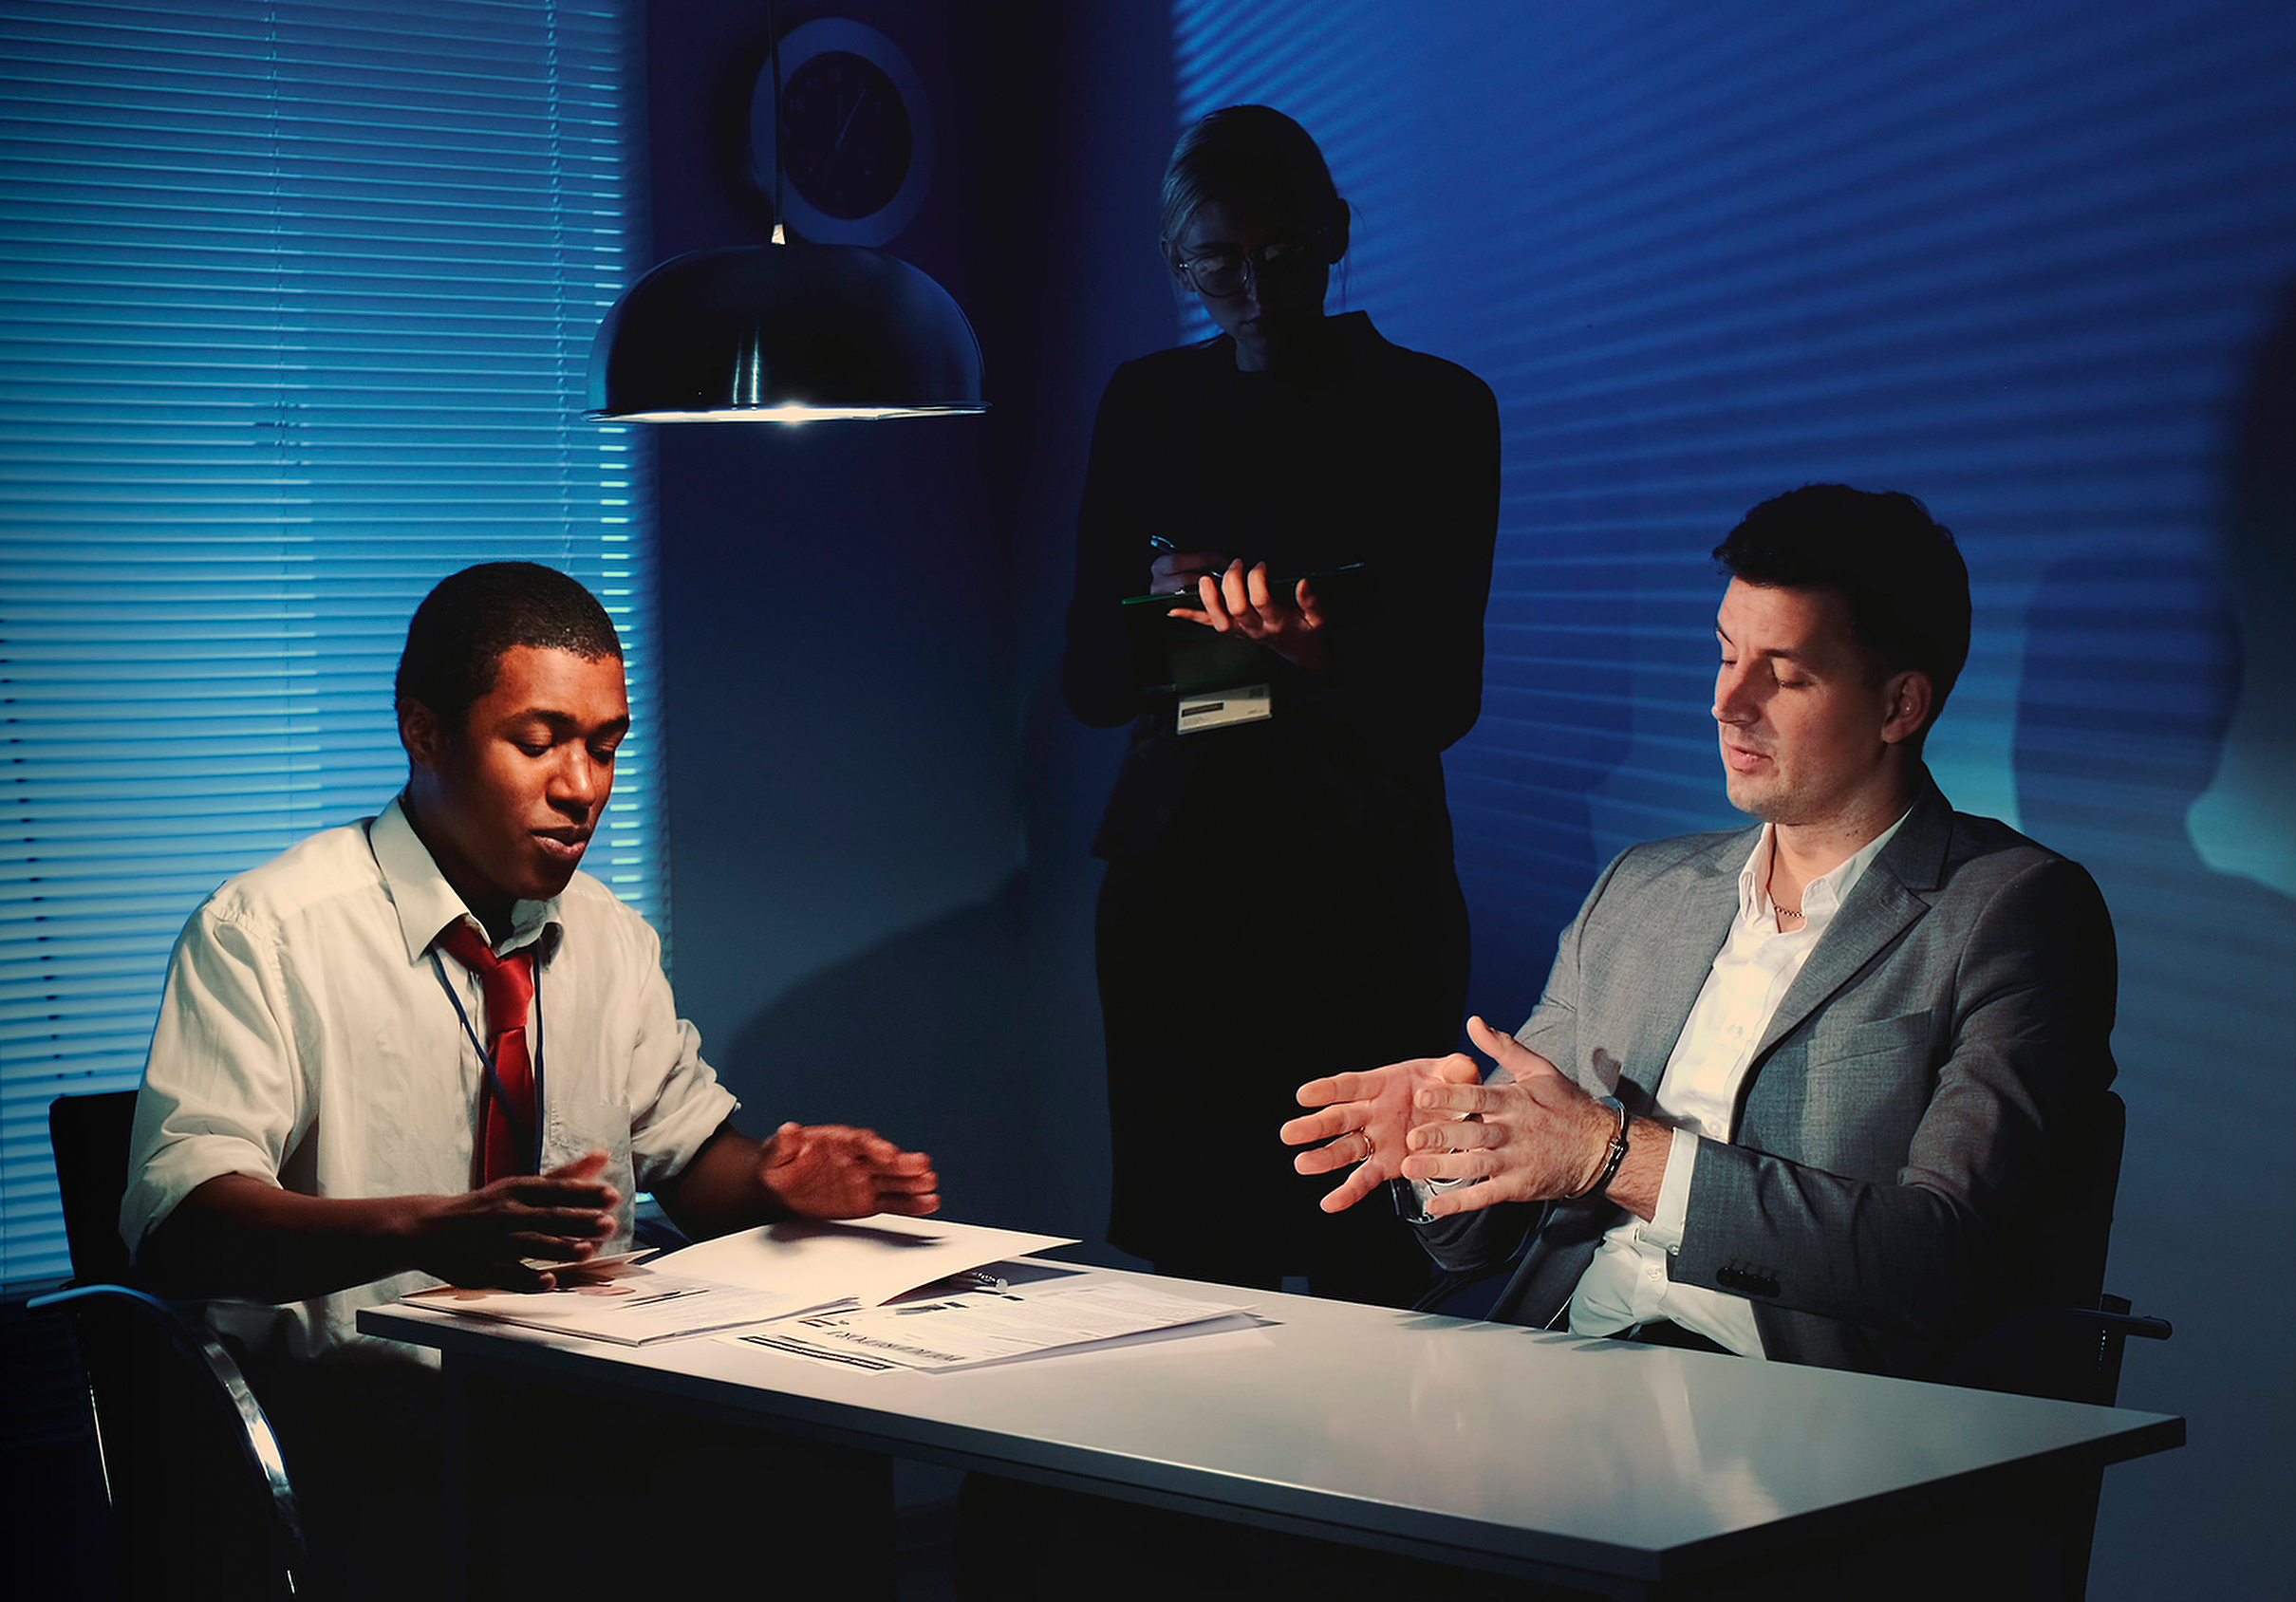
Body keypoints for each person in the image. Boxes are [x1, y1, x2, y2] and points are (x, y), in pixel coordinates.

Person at [120, 561, 938, 1597]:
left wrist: (776, 1181)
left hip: (583, 1396)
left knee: (824, 1468)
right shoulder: (266, 933)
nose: (583, 785)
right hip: (361, 1418)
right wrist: (430, 1230)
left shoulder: (607, 934)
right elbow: (185, 1227)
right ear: (424, 729)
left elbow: (692, 1163)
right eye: (538, 741)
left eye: (604, 746)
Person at [1283, 486, 2120, 1378]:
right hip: (1565, 1367)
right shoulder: (1642, 891)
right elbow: (1477, 1247)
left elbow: (1937, 1261)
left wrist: (1612, 1157)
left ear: (1899, 706)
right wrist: (1444, 1146)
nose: (1727, 702)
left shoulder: (2013, 911)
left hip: (1806, 1411)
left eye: (1785, 674)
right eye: (1724, 655)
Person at [1062, 104, 1499, 1305]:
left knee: (1379, 1254)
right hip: (1180, 884)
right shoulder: (1148, 403)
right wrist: (1151, 609)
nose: (1252, 287)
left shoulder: (1436, 408)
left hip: (1364, 891)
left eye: (1282, 252)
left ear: (1334, 234)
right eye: (1218, 260)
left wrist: (1309, 650)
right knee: (1197, 1275)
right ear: (1175, 261)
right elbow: (1089, 683)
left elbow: (1444, 699)